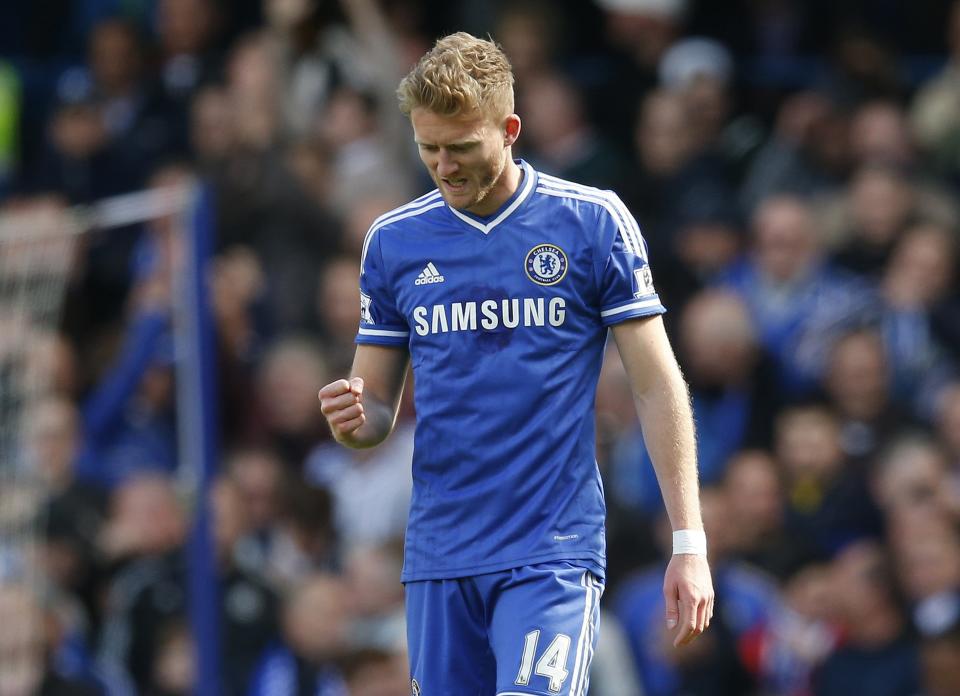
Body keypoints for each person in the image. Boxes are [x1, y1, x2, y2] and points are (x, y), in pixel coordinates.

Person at [317, 32, 713, 694]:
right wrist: (353, 418)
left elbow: (656, 383)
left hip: (549, 551)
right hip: (441, 553)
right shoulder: (394, 242)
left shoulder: (590, 223)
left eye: (462, 147)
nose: (443, 166)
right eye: (428, 148)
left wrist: (689, 543)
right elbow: (374, 411)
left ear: (510, 129)